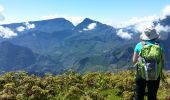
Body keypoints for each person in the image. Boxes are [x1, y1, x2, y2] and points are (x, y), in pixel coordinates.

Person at [133, 28, 164, 100]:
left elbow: (134, 61)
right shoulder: (159, 46)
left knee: (139, 94)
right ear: (155, 36)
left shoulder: (139, 45)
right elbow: (162, 61)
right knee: (152, 95)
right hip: (155, 74)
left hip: (141, 73)